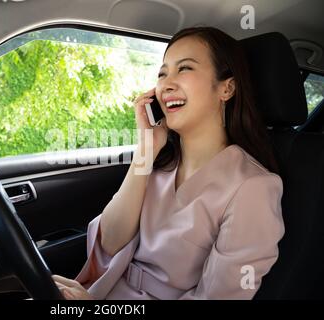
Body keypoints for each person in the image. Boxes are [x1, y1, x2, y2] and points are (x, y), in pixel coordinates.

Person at [52, 26, 285, 300]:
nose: (166, 84)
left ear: (227, 88)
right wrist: (146, 149)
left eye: (184, 69)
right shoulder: (159, 164)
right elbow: (110, 243)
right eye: (162, 73)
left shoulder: (252, 187)